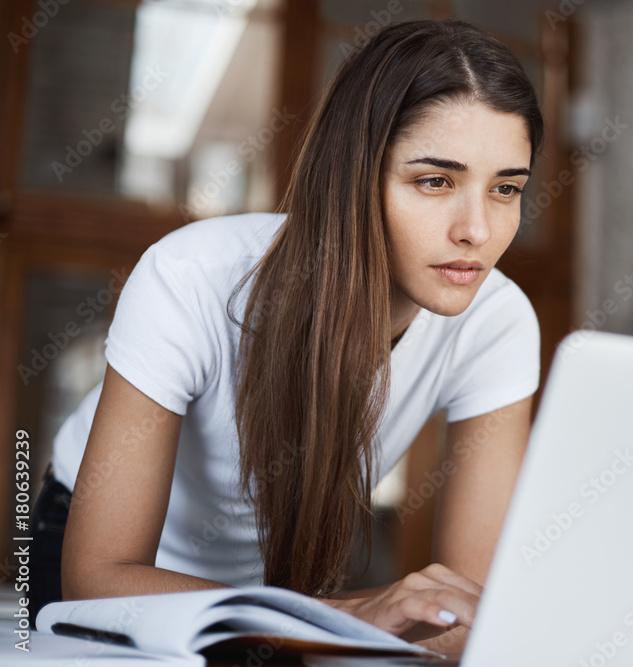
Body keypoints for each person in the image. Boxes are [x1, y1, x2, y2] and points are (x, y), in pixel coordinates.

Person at [28, 17, 544, 655]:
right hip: (110, 564)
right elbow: (100, 579)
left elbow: (464, 614)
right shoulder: (189, 277)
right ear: (353, 177)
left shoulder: (499, 322)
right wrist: (350, 615)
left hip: (265, 584)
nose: (477, 229)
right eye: (434, 181)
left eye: (506, 189)